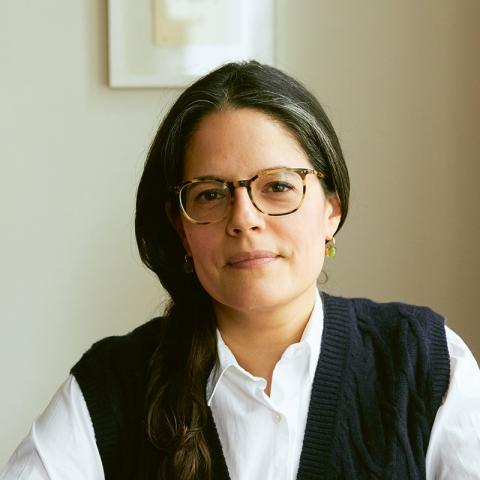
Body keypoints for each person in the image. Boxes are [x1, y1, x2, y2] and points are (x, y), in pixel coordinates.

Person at [2, 61, 480, 480]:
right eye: (210, 193)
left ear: (331, 209)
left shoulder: (425, 360)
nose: (244, 218)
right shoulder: (112, 384)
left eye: (277, 186)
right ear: (181, 228)